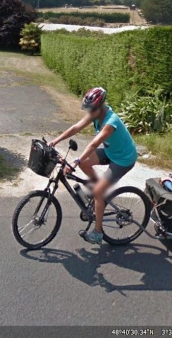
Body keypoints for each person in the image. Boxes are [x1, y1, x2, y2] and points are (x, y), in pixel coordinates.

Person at [48, 87, 137, 245]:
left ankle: (98, 233)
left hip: (123, 159)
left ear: (100, 106)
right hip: (112, 152)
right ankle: (98, 191)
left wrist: (76, 161)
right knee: (86, 164)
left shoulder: (111, 122)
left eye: (91, 109)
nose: (89, 112)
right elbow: (75, 128)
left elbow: (94, 144)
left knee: (96, 189)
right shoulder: (95, 114)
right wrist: (55, 141)